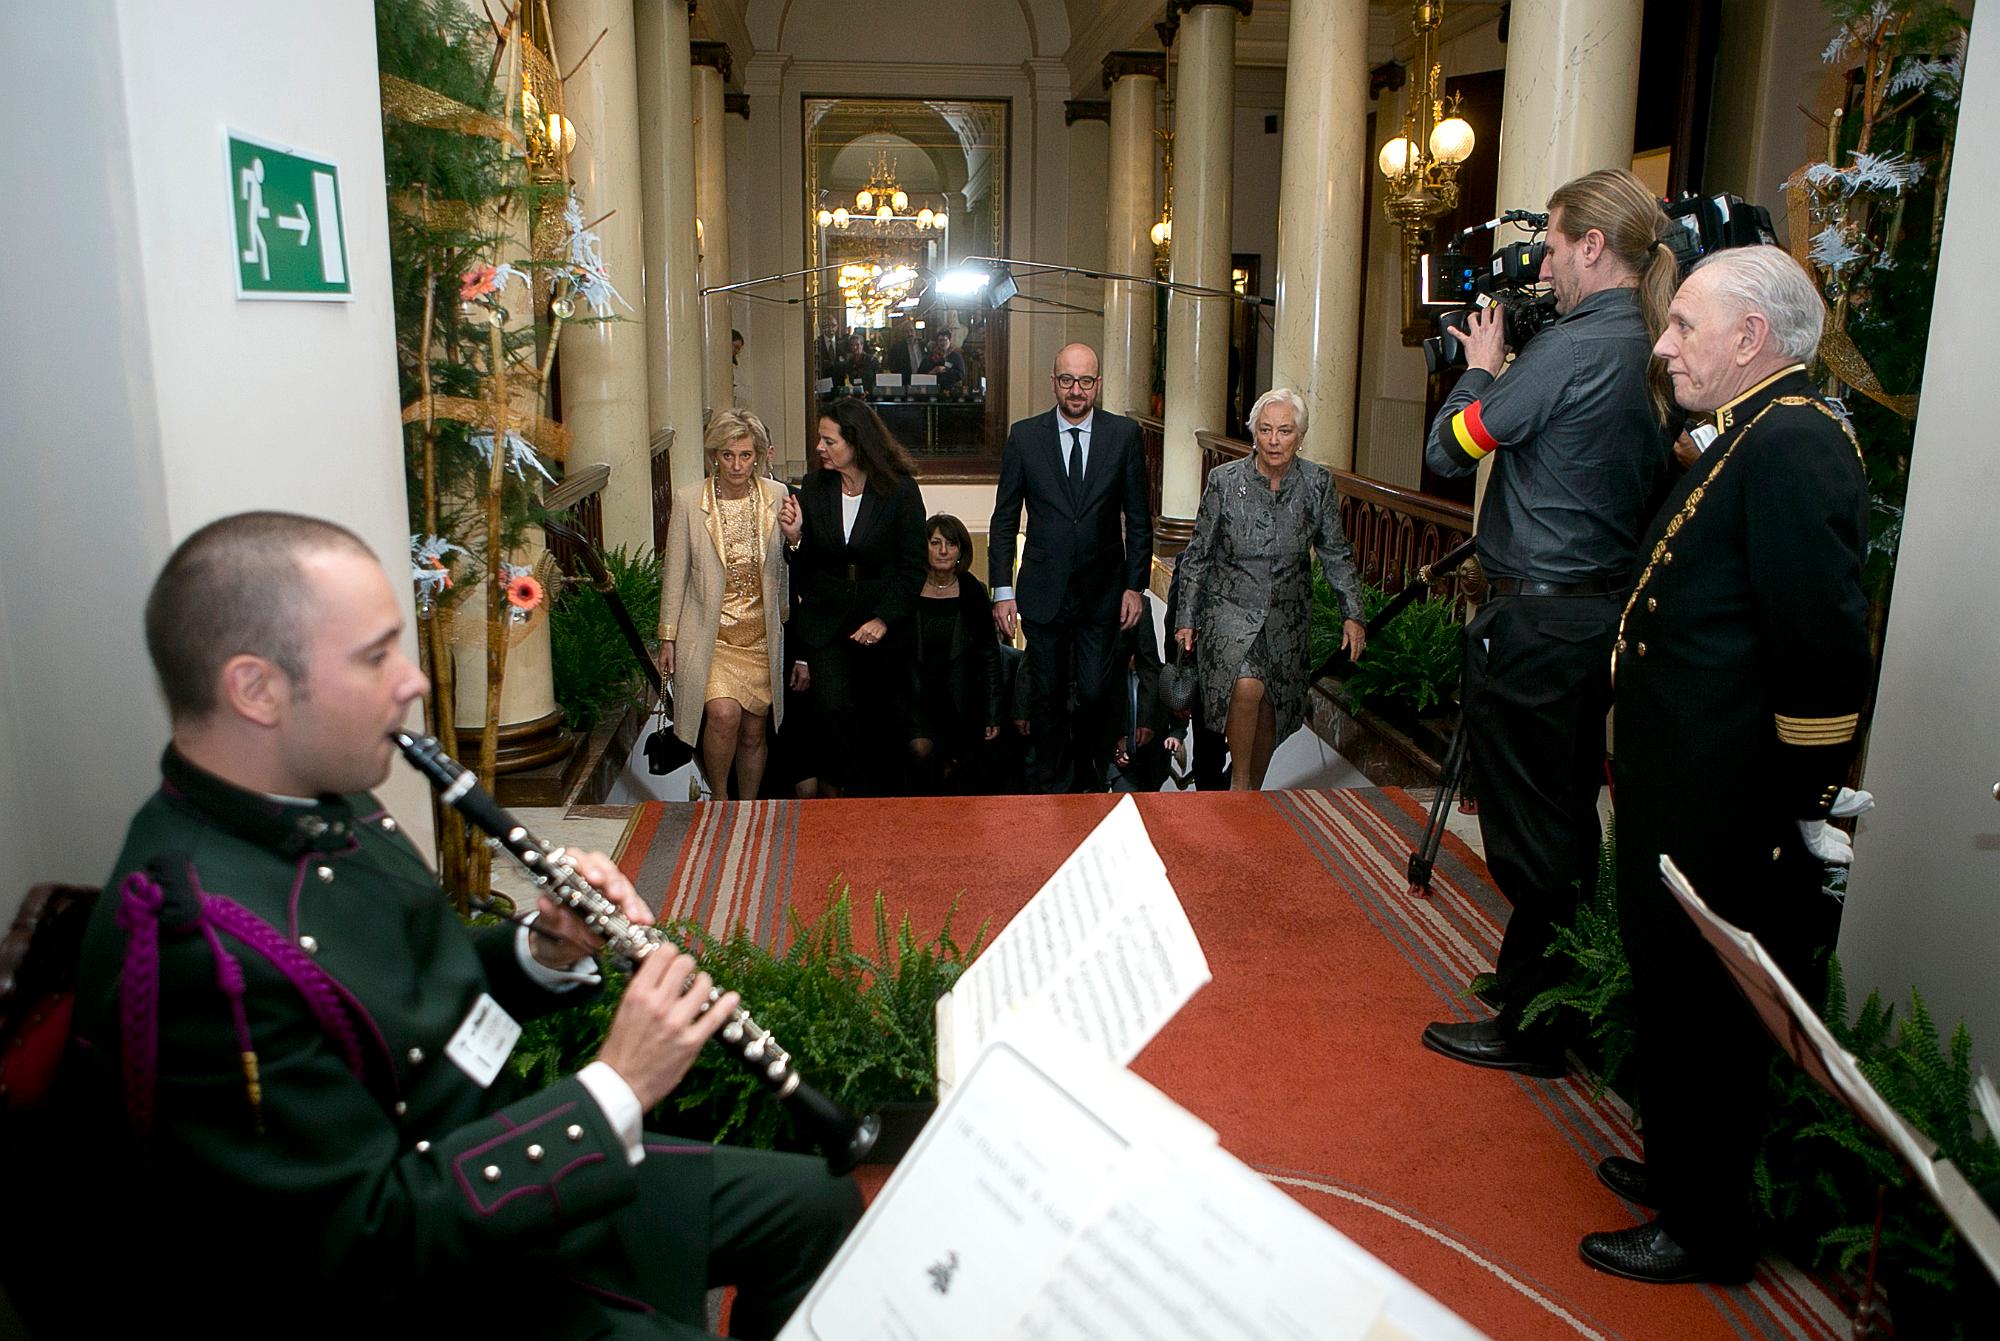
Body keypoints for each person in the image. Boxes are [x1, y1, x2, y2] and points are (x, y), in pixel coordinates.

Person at [68, 512, 859, 1336]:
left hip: (481, 1175)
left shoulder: (320, 797)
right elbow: (363, 1248)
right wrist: (617, 1085)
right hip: (437, 1271)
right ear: (256, 688)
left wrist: (541, 948)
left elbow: (400, 1004)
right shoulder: (199, 941)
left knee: (820, 1201)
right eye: (376, 656)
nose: (412, 680)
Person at [1578, 247, 1873, 1284]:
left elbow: (1820, 647)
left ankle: (1706, 1229)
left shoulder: (1791, 444)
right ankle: (1677, 1174)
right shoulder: (1751, 434)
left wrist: (1794, 805)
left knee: (1705, 1013)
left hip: (1730, 802)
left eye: (1683, 327)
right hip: (1684, 785)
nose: (1663, 345)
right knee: (1668, 991)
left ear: (1750, 339)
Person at [1418, 168, 1676, 1078]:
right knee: (1565, 819)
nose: (1549, 268)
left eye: (1557, 247)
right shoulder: (1647, 339)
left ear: (1593, 247)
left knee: (1531, 837)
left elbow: (1448, 449)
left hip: (1535, 626)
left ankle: (1532, 1025)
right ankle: (1556, 1000)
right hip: (1593, 620)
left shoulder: (1573, 348)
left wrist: (1480, 368)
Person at [1172, 388, 1367, 790]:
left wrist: (1353, 612)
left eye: (1284, 431)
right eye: (1266, 430)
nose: (1274, 440)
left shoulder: (1317, 484)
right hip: (1229, 611)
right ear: (1254, 434)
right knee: (1247, 686)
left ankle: (1252, 789)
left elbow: (1335, 552)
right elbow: (1197, 556)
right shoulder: (1224, 482)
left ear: (1300, 436)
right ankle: (1240, 788)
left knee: (1272, 710)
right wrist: (1186, 618)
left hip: (1287, 619)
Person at [989, 343, 1153, 792]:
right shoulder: (1025, 436)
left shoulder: (1123, 435)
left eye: (1085, 381)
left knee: (1097, 694)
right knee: (1047, 696)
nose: (1076, 391)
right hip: (1043, 590)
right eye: (1067, 380)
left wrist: (1135, 586)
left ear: (1098, 383)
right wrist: (1002, 590)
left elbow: (1138, 519)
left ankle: (1089, 776)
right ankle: (1052, 787)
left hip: (1105, 591)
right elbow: (1004, 519)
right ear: (1053, 382)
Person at [781, 396, 926, 796]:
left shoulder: (900, 491)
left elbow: (914, 566)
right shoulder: (813, 487)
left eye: (829, 441)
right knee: (832, 709)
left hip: (883, 621)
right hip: (827, 619)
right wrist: (794, 540)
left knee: (879, 716)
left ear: (856, 443)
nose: (819, 448)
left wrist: (883, 619)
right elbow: (806, 564)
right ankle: (845, 797)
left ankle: (877, 805)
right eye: (820, 440)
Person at [659, 409, 795, 800]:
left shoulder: (777, 496)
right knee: (722, 714)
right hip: (711, 634)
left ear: (759, 456)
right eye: (728, 455)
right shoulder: (689, 501)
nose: (737, 465)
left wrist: (795, 537)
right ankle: (719, 798)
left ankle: (747, 806)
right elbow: (675, 573)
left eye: (746, 455)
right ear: (714, 456)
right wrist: (667, 636)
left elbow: (791, 560)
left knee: (754, 730)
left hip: (760, 633)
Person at [906, 512, 1003, 794]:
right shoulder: (908, 586)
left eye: (950, 544)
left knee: (957, 776)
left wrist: (993, 714)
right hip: (915, 694)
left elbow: (989, 656)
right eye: (935, 543)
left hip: (962, 698)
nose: (943, 551)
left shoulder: (973, 592)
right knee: (919, 753)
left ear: (961, 550)